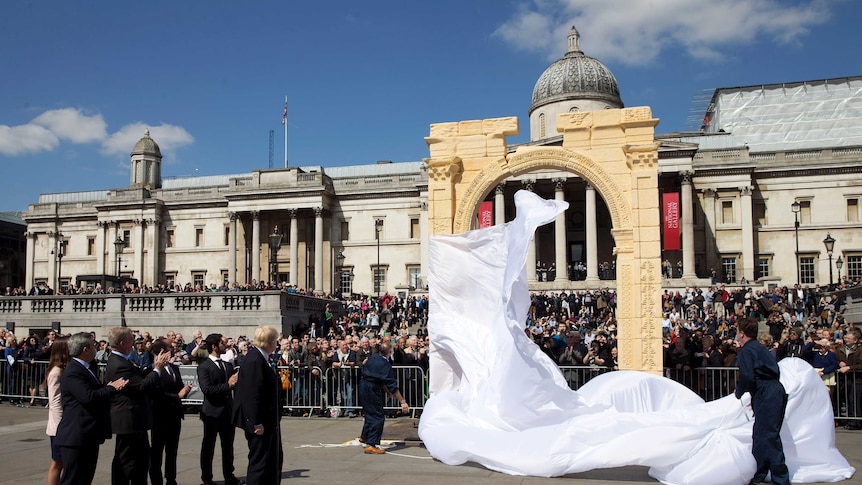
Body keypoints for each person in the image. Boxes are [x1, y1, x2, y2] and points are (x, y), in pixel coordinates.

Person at [55, 332, 127, 485]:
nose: (96, 348)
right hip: (76, 435)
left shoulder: (88, 367)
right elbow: (88, 396)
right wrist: (111, 388)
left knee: (85, 478)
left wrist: (107, 388)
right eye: (93, 345)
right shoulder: (73, 371)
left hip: (88, 434)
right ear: (85, 350)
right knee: (72, 479)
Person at [104, 326, 170, 485]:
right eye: (130, 339)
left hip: (135, 419)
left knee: (141, 461)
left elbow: (138, 379)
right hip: (129, 419)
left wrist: (153, 368)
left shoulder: (123, 360)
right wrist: (158, 369)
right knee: (126, 462)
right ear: (122, 342)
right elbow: (141, 386)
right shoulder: (118, 363)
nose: (134, 342)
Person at [734, 317, 790, 485]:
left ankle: (781, 478)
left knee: (768, 435)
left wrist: (739, 392)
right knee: (760, 434)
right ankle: (759, 471)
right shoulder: (760, 348)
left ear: (742, 334)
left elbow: (747, 375)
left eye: (737, 331)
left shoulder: (746, 351)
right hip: (772, 390)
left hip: (765, 391)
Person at [233, 326, 283, 485]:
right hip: (260, 422)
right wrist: (255, 422)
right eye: (275, 340)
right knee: (259, 464)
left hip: (269, 420)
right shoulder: (255, 359)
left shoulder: (262, 358)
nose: (277, 344)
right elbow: (251, 395)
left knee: (272, 460)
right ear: (269, 342)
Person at [198, 333, 242, 485]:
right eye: (223, 343)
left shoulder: (227, 365)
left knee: (228, 446)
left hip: (227, 412)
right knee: (208, 446)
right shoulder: (204, 367)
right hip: (212, 412)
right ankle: (207, 477)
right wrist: (227, 385)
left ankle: (229, 475)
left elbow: (235, 385)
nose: (226, 345)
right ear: (214, 346)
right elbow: (207, 389)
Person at [149, 339, 192, 485]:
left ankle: (171, 478)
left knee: (172, 450)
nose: (172, 351)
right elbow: (156, 394)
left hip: (174, 414)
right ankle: (156, 480)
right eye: (169, 349)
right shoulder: (153, 370)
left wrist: (185, 390)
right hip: (160, 415)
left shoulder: (173, 368)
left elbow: (179, 387)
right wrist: (177, 396)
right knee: (157, 451)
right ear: (162, 352)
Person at [359, 341, 409, 453]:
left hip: (364, 384)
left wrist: (386, 390)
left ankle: (365, 436)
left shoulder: (373, 357)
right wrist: (402, 401)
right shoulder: (385, 364)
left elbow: (378, 377)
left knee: (369, 413)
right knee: (378, 416)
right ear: (390, 352)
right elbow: (392, 384)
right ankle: (371, 444)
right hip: (372, 388)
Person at [44, 337, 69, 485]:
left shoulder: (64, 369)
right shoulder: (56, 372)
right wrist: (62, 424)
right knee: (57, 462)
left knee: (64, 462)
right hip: (58, 426)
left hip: (63, 424)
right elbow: (55, 402)